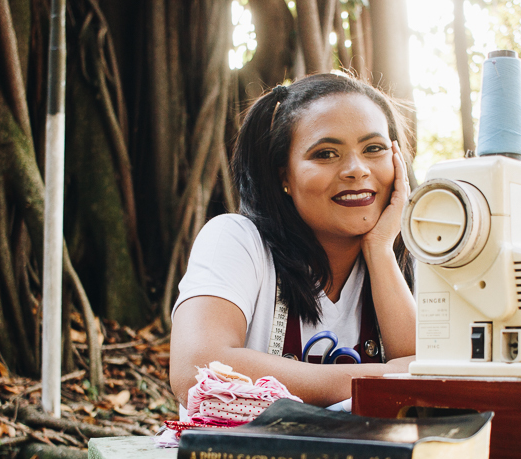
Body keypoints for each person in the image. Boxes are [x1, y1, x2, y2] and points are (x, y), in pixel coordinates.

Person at [169, 73, 416, 408]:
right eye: (326, 154)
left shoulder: (414, 257)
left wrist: (380, 251)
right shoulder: (236, 241)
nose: (356, 169)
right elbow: (197, 370)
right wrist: (381, 378)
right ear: (283, 174)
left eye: (374, 149)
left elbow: (432, 379)